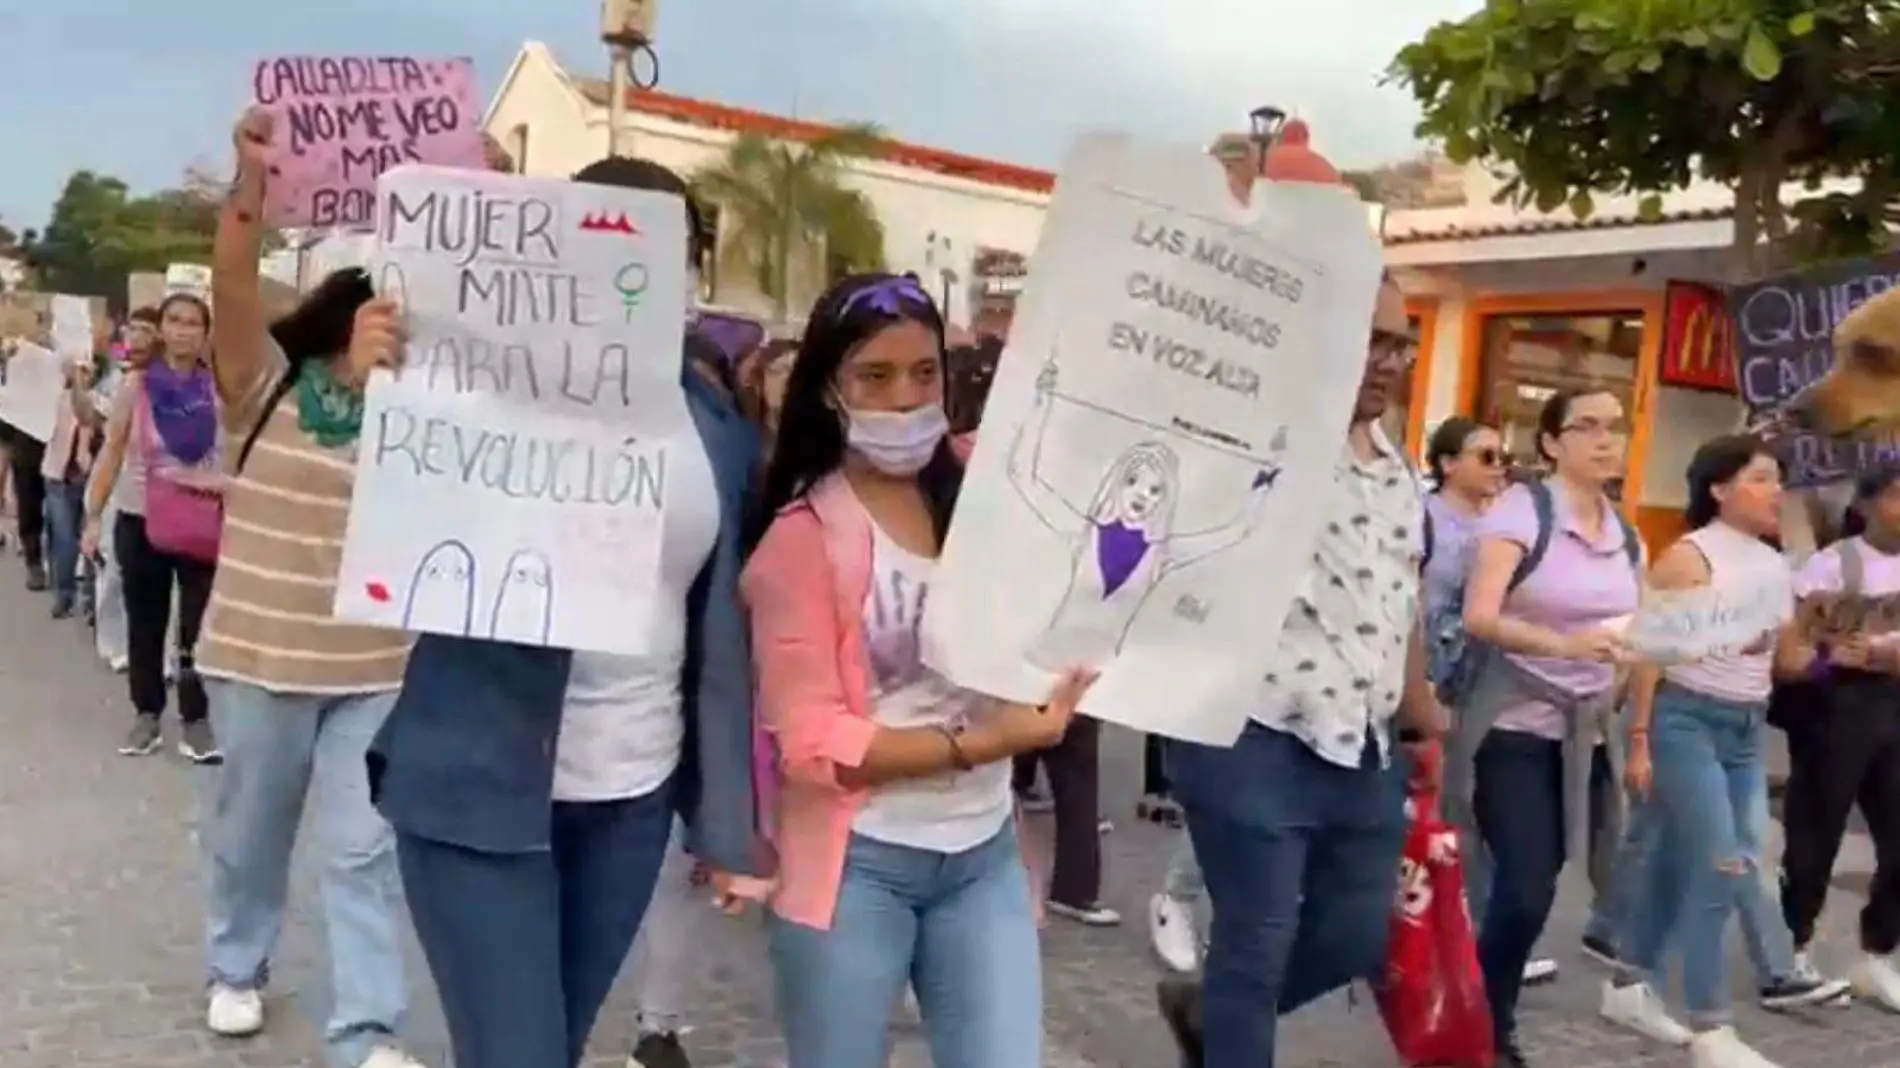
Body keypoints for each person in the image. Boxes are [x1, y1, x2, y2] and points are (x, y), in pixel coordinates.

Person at [369, 155, 766, 1068]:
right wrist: (371, 387)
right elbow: (391, 500)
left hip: (630, 799)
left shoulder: (715, 423)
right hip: (481, 786)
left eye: (676, 249)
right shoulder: (470, 391)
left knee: (554, 1044)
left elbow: (722, 639)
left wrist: (724, 821)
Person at [743, 271, 1096, 1068]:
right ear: (830, 390)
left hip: (983, 859)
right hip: (856, 866)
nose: (905, 399)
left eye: (924, 373)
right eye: (875, 376)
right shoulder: (801, 539)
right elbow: (812, 743)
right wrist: (981, 741)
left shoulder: (986, 492)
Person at [183, 106, 425, 1068]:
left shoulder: (421, 412)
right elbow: (233, 283)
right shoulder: (262, 383)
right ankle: (235, 967)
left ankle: (368, 1025)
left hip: (376, 664)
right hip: (259, 656)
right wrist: (250, 185)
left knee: (366, 849)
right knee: (253, 828)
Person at [1157, 274, 1442, 1068]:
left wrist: (1421, 712)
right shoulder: (1256, 437)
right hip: (1251, 736)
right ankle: (1231, 1023)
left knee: (1356, 932)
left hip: (1364, 748)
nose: (1388, 361)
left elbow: (1401, 597)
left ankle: (1211, 1016)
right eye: (1369, 339)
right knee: (1257, 938)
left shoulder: (1398, 468)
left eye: (1399, 343)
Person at [1599, 436, 1843, 1068]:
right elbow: (1652, 655)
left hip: (1743, 731)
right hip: (1686, 723)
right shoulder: (1689, 557)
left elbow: (1785, 662)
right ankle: (1712, 1028)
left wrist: (1826, 631)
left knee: (1694, 862)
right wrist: (1642, 741)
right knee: (1719, 866)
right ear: (1719, 489)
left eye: (1778, 481)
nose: (1776, 492)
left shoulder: (1773, 564)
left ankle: (1627, 984)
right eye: (1761, 479)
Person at [1451, 388, 1643, 1067]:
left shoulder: (1627, 531)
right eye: (1586, 427)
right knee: (1528, 885)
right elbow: (1480, 615)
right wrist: (1566, 647)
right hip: (1511, 726)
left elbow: (1632, 629)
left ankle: (1478, 1011)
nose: (1604, 440)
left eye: (1614, 428)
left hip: (1586, 733)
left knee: (1553, 878)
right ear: (1552, 443)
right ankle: (1484, 1025)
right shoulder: (1520, 512)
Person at [1779, 463, 1900, 1012]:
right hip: (1838, 708)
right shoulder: (1833, 563)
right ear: (1869, 503)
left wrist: (1880, 650)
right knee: (1815, 831)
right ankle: (1793, 949)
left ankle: (1876, 952)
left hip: (1895, 704)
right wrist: (1829, 656)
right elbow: (1796, 648)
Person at [82, 291, 222, 763]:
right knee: (146, 624)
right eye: (174, 320)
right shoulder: (137, 386)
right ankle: (147, 714)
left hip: (201, 522)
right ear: (161, 328)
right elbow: (113, 449)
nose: (183, 329)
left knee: (197, 628)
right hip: (140, 519)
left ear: (205, 333)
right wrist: (93, 515)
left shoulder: (219, 390)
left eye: (193, 322)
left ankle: (196, 721)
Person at [43, 351, 104, 619]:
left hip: (88, 478)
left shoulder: (99, 402)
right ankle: (68, 595)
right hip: (61, 477)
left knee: (83, 539)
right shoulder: (57, 401)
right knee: (67, 538)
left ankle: (84, 597)